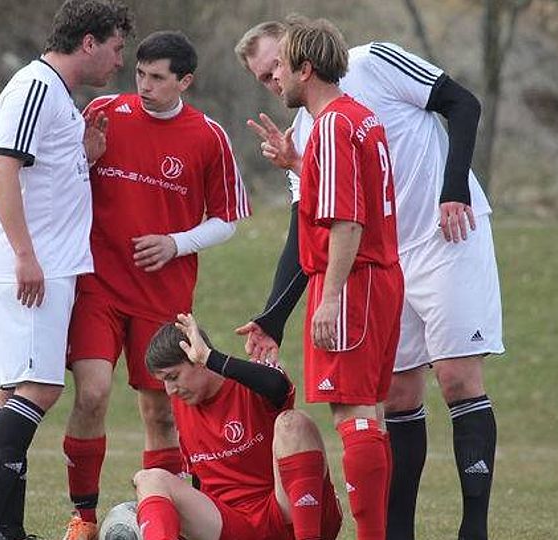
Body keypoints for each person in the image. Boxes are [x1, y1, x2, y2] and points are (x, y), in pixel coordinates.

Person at [234, 19, 504, 540]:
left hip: (443, 234)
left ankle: (474, 529)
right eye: (262, 78)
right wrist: (275, 316)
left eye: (277, 68)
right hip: (381, 257)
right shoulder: (313, 128)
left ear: (299, 57)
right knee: (399, 394)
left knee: (455, 379)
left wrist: (455, 189)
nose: (272, 82)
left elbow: (463, 103)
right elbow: (308, 227)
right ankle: (395, 531)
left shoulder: (369, 67)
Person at [60, 30, 250, 540]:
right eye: (139, 73)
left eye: (157, 78)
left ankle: (163, 519)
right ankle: (83, 517)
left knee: (161, 412)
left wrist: (175, 242)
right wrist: (87, 160)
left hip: (162, 296)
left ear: (184, 80)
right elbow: (60, 178)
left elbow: (228, 218)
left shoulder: (207, 136)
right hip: (98, 285)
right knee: (92, 394)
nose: (143, 85)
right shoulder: (104, 110)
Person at [0, 1, 134, 539]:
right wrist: (24, 254)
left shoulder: (55, 94)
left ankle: (0, 526)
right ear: (88, 42)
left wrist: (84, 155)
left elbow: (40, 173)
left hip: (40, 262)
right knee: (40, 386)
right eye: (115, 47)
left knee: (10, 387)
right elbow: (1, 168)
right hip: (32, 265)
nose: (118, 60)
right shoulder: (35, 86)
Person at [261, 17, 405, 540]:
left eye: (280, 66)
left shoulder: (331, 126)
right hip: (380, 276)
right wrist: (298, 162)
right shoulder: (358, 118)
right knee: (368, 410)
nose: (276, 77)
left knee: (353, 409)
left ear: (306, 68)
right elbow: (350, 190)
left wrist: (331, 299)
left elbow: (348, 218)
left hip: (354, 280)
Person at [134, 313, 342, 540]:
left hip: (285, 514)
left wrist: (212, 357)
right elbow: (199, 481)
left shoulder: (248, 381)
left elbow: (278, 385)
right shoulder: (182, 403)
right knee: (148, 478)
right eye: (164, 380)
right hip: (233, 526)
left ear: (200, 360)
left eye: (174, 376)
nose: (170, 389)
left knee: (294, 423)